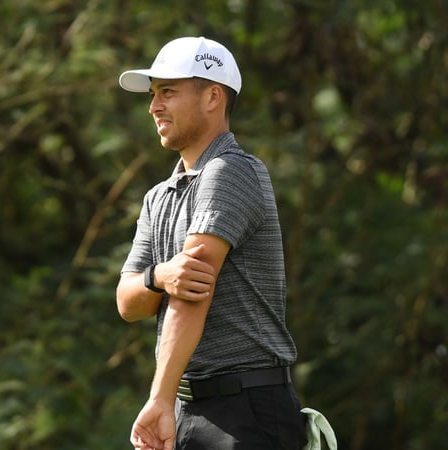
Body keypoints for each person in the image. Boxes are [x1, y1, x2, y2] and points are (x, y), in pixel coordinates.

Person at [116, 36, 307, 450]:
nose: (153, 107)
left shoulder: (230, 172)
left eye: (167, 91)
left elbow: (191, 295)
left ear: (212, 97)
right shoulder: (158, 196)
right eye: (152, 95)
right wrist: (160, 275)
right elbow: (128, 302)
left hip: (248, 411)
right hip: (192, 409)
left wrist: (159, 399)